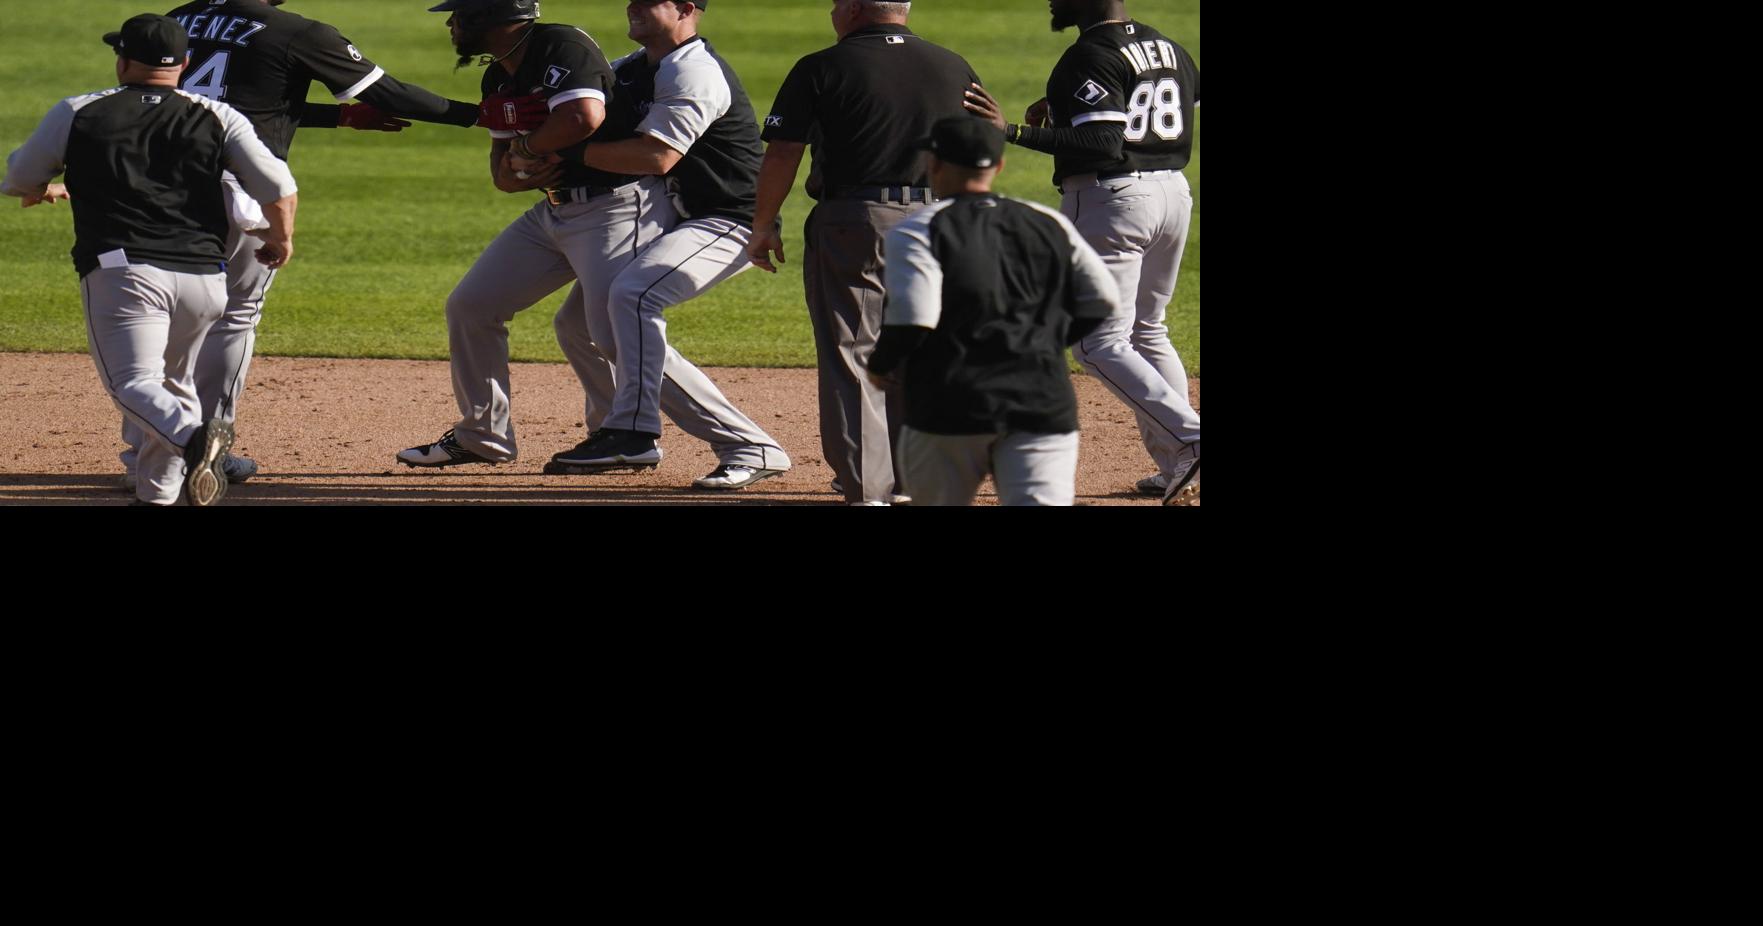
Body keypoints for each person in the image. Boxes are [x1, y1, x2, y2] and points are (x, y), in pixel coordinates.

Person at [117, 0, 548, 492]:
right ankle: (205, 454)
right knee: (234, 315)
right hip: (231, 188)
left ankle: (145, 455)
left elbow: (230, 96)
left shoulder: (180, 17)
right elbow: (389, 93)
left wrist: (340, 118)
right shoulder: (295, 31)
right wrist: (479, 115)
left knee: (160, 315)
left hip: (145, 185)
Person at [2, 13, 298, 506]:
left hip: (125, 273)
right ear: (184, 63)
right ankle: (158, 494)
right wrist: (281, 240)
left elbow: (20, 177)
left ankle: (198, 439)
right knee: (174, 382)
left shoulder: (79, 111)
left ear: (122, 62)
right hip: (206, 278)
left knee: (133, 386)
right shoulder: (218, 115)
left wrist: (39, 188)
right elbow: (280, 188)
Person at [396, 0, 677, 469]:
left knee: (608, 332)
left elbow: (583, 117)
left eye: (460, 14)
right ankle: (484, 436)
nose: (450, 24)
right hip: (553, 211)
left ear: (493, 16)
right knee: (473, 305)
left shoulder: (561, 44)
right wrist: (520, 168)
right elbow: (502, 175)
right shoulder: (497, 77)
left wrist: (528, 145)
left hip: (614, 207)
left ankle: (627, 435)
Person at [545, 0, 791, 490]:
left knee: (634, 295)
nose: (632, 6)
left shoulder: (696, 72)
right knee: (576, 324)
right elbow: (582, 116)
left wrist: (563, 151)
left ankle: (649, 432)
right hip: (678, 219)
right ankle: (611, 431)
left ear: (685, 8)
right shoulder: (632, 68)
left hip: (729, 222)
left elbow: (657, 157)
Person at [962, 0, 1200, 506]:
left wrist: (1010, 131)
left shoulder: (1089, 53)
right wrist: (1062, 110)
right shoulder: (1165, 45)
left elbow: (1101, 142)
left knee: (1096, 342)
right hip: (1173, 193)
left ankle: (1191, 437)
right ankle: (1179, 462)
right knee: (1147, 330)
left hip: (1113, 200)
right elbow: (1168, 109)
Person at [747, 0, 982, 505]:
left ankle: (867, 489)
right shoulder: (951, 62)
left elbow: (784, 150)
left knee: (854, 351)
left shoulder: (822, 66)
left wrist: (763, 225)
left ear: (853, 10)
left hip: (858, 221)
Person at [865, 117, 1115, 506]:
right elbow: (1101, 300)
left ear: (934, 164)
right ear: (998, 167)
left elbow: (916, 318)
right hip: (1041, 401)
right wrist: (1045, 342)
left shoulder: (918, 230)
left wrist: (881, 364)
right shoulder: (1048, 222)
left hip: (949, 404)